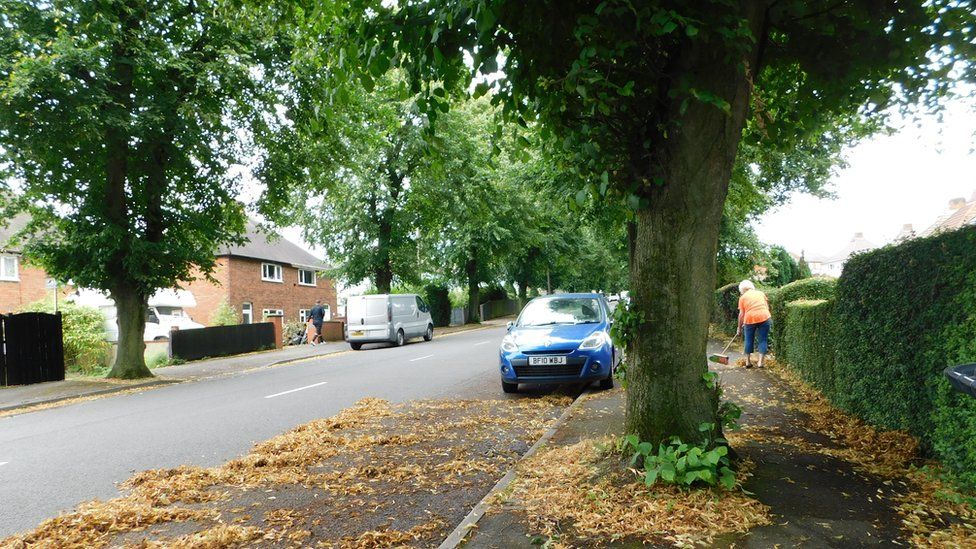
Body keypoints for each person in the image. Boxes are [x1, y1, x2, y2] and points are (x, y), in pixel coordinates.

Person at [736, 279, 771, 369]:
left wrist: (739, 328)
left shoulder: (742, 298)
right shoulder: (760, 293)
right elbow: (766, 307)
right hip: (764, 316)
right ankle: (760, 362)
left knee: (748, 340)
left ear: (742, 290)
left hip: (750, 318)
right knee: (763, 340)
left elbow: (741, 314)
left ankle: (748, 362)